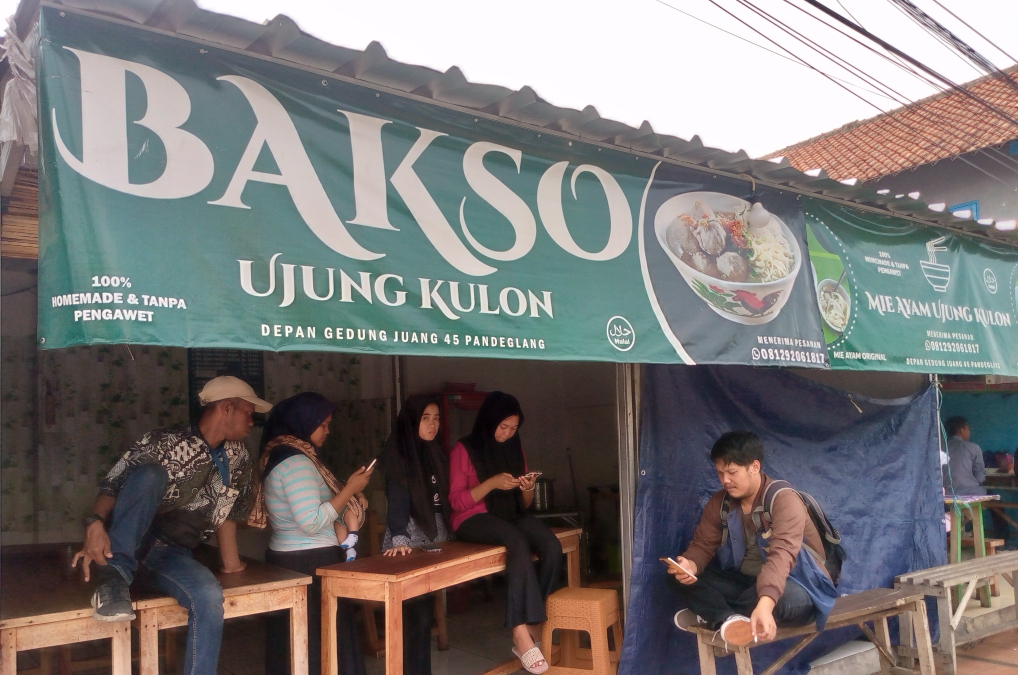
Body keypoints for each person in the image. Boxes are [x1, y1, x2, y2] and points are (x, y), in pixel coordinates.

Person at [72, 376, 271, 675]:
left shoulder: (239, 457)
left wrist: (231, 564)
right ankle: (114, 579)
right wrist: (96, 523)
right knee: (149, 475)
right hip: (127, 543)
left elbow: (228, 514)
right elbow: (113, 485)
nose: (252, 421)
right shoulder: (164, 441)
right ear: (227, 408)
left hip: (172, 554)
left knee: (208, 596)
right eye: (248, 412)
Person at [668, 431, 837, 647]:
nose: (725, 480)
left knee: (782, 598)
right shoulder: (721, 502)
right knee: (675, 576)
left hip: (799, 585)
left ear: (754, 467)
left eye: (732, 472)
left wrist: (765, 605)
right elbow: (702, 545)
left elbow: (782, 554)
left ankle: (715, 614)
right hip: (749, 585)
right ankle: (728, 619)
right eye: (720, 473)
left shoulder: (783, 499)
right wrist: (689, 565)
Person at [248, 391, 374, 675]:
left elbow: (322, 509)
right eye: (323, 424)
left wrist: (350, 496)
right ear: (304, 422)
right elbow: (312, 521)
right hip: (308, 562)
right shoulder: (296, 463)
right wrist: (350, 490)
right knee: (320, 644)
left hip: (294, 560)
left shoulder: (290, 455)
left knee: (299, 643)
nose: (328, 430)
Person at [449, 391, 562, 675]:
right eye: (503, 427)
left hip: (510, 514)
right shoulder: (465, 448)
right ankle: (520, 634)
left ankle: (535, 622)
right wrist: (491, 484)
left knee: (551, 544)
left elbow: (524, 505)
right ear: (490, 421)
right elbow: (456, 501)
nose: (508, 433)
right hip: (472, 518)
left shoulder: (514, 446)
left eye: (513, 428)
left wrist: (527, 488)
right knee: (517, 541)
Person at [379, 395, 453, 675]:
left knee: (424, 612)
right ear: (412, 421)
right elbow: (397, 499)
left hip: (436, 535)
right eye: (425, 418)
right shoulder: (399, 453)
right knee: (416, 614)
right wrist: (400, 538)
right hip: (408, 536)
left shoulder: (434, 452)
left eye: (436, 419)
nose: (432, 425)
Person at [943, 417, 986, 496]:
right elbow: (980, 477)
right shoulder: (973, 447)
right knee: (994, 499)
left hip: (945, 493)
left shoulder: (940, 448)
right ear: (961, 430)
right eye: (968, 429)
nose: (969, 432)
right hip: (968, 492)